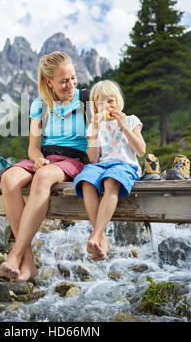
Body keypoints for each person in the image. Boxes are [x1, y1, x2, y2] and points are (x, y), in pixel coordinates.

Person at [0, 51, 89, 282]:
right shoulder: (40, 104)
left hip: (73, 160)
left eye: (73, 78)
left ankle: (15, 254)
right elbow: (33, 148)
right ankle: (28, 264)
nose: (70, 85)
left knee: (43, 177)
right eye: (63, 81)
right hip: (46, 158)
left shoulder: (87, 100)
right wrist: (37, 158)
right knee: (8, 178)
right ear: (49, 82)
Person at [74, 80, 146, 261]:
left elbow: (141, 150)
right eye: (100, 103)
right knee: (86, 180)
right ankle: (101, 238)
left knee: (111, 180)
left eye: (110, 100)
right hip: (101, 165)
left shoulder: (131, 120)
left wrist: (124, 127)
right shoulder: (93, 126)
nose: (106, 106)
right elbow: (92, 158)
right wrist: (95, 132)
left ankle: (96, 234)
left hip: (125, 165)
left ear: (118, 101)